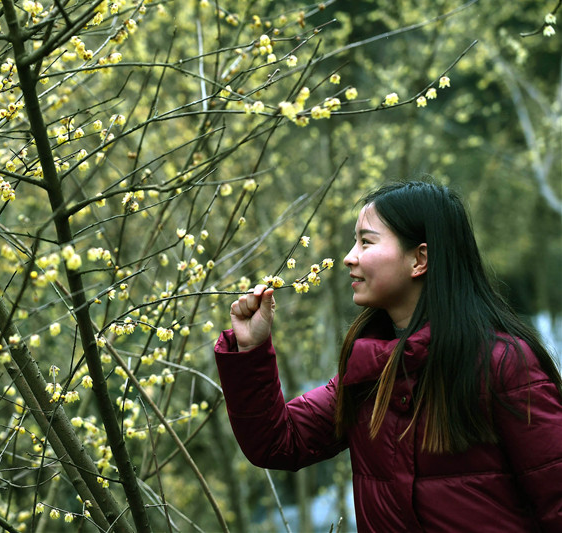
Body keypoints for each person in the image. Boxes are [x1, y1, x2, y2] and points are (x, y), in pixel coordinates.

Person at [215, 181, 562, 532]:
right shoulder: (371, 370)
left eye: (366, 241)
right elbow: (279, 443)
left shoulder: (504, 365)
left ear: (419, 259)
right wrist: (251, 350)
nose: (350, 256)